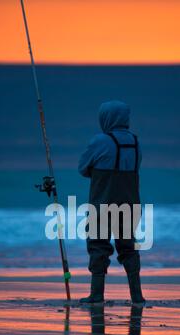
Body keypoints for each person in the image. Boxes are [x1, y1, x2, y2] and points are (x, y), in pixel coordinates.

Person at [78, 100, 145, 305]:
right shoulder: (135, 142)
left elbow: (83, 168)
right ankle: (137, 296)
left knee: (98, 246)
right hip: (130, 204)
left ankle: (97, 295)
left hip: (103, 204)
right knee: (128, 248)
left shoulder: (100, 141)